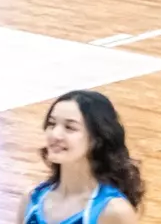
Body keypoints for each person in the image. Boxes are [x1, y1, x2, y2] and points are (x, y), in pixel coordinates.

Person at [18, 90, 143, 223]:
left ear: (96, 139)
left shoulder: (114, 211)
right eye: (52, 124)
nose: (55, 134)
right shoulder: (31, 199)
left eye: (70, 127)